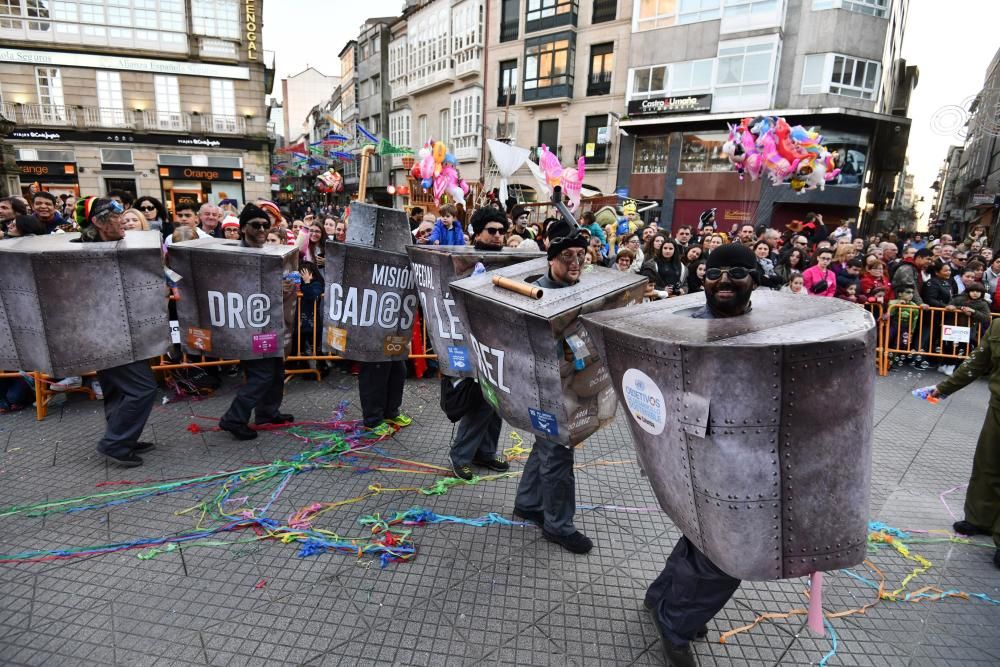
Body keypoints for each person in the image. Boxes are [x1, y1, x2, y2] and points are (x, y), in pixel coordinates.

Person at [645, 243, 759, 667]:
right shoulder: (682, 324)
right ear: (700, 278)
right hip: (690, 450)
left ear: (757, 278)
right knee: (730, 552)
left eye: (736, 272)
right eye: (714, 273)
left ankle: (663, 600)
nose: (723, 281)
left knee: (706, 539)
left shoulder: (770, 327)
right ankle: (676, 623)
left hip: (745, 456)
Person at [513, 218, 593, 555]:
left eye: (581, 255)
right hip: (544, 387)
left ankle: (529, 502)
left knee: (545, 447)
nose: (575, 262)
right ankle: (558, 525)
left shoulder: (578, 287)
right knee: (558, 454)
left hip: (566, 382)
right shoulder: (538, 294)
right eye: (567, 257)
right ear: (551, 259)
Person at [73, 198, 159, 467]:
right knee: (142, 389)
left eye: (122, 214)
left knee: (117, 390)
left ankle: (123, 437)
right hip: (110, 333)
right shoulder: (87, 253)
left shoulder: (115, 245)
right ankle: (116, 442)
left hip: (122, 329)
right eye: (114, 216)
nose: (122, 219)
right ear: (97, 222)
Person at [927, 317, 1000, 570]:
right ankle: (981, 519)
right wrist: (945, 387)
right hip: (998, 409)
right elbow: (976, 363)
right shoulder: (998, 326)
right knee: (987, 465)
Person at [217, 204, 293, 441]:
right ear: (242, 229)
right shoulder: (236, 256)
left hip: (268, 324)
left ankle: (267, 413)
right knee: (261, 376)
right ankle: (234, 418)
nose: (261, 229)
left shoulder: (269, 252)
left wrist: (287, 286)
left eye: (265, 225)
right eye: (255, 225)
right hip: (248, 327)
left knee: (276, 372)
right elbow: (235, 288)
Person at [446, 208, 512, 481]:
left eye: (501, 231)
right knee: (482, 401)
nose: (498, 236)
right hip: (469, 341)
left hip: (501, 341)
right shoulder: (463, 261)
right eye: (491, 231)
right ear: (477, 232)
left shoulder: (509, 259)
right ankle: (461, 455)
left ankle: (485, 451)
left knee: (498, 402)